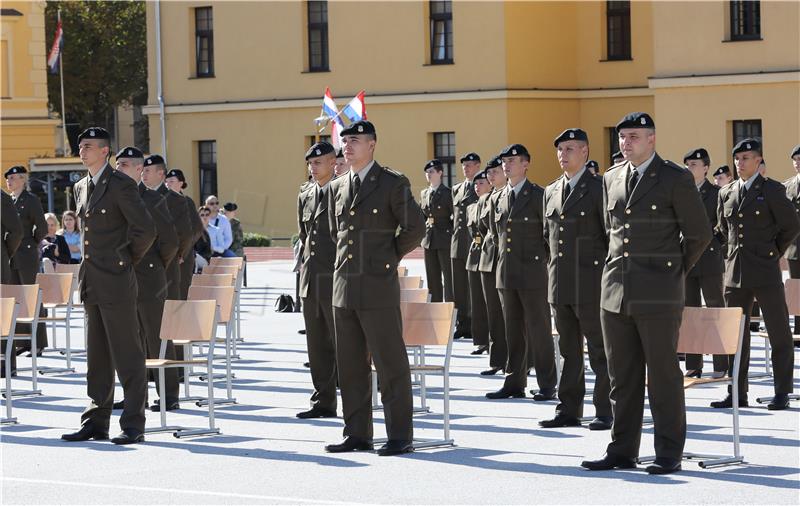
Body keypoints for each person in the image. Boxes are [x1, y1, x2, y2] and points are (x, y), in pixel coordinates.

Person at [581, 112, 710, 475]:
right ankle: (622, 450)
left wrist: (671, 272)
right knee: (622, 374)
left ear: (652, 139)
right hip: (615, 291)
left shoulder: (674, 177)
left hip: (658, 291)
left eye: (634, 136)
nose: (626, 143)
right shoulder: (610, 177)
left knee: (664, 374)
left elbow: (699, 234)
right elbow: (611, 233)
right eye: (622, 137)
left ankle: (668, 451)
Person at [324, 120, 425, 456]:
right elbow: (334, 235)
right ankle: (357, 433)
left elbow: (414, 227)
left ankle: (399, 435)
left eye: (355, 140)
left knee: (389, 363)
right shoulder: (338, 186)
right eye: (345, 141)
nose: (347, 146)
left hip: (378, 286)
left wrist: (388, 256)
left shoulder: (392, 183)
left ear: (372, 144)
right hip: (344, 287)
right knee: (350, 366)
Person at [61, 127, 155, 445]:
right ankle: (96, 421)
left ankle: (132, 423)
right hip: (92, 281)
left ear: (105, 151)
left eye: (88, 146)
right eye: (80, 146)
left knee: (127, 354)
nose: (82, 150)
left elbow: (145, 229)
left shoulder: (121, 185)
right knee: (97, 357)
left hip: (116, 279)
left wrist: (124, 260)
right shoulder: (81, 187)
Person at [712, 138, 800, 411]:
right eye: (737, 158)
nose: (740, 163)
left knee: (779, 333)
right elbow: (722, 229)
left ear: (759, 160)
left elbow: (791, 225)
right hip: (735, 273)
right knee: (736, 336)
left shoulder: (772, 189)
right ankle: (737, 392)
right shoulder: (726, 192)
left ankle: (782, 391)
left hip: (764, 270)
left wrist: (773, 251)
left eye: (747, 158)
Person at [540, 128, 611, 431]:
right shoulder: (552, 190)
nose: (563, 155)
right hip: (561, 283)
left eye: (570, 149)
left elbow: (611, 235)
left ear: (585, 152)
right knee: (568, 351)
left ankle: (606, 410)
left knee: (599, 349)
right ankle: (569, 409)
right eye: (560, 150)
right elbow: (547, 238)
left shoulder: (599, 188)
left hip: (592, 282)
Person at [486, 144, 557, 401]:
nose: (507, 165)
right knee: (512, 330)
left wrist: (540, 263)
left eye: (513, 160)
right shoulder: (498, 196)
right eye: (505, 160)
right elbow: (496, 235)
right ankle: (514, 381)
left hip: (533, 272)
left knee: (539, 329)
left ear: (526, 164)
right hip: (507, 272)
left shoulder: (539, 195)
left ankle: (548, 383)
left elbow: (549, 235)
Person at [115, 146, 181, 412]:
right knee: (130, 339)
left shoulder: (152, 200)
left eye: (124, 165)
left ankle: (169, 394)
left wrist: (153, 266)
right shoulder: (114, 197)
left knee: (156, 336)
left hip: (149, 277)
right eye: (117, 165)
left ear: (138, 169)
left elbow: (171, 242)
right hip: (122, 278)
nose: (118, 170)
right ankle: (135, 395)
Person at [296, 141, 338, 419]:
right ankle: (322, 400)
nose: (313, 167)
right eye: (310, 163)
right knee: (317, 344)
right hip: (311, 278)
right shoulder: (305, 194)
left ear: (333, 162)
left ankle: (356, 400)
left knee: (343, 344)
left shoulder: (344, 189)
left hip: (337, 276)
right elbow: (304, 235)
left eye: (318, 162)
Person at [682, 148, 728, 379]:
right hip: (688, 260)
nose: (689, 168)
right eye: (687, 164)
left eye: (694, 164)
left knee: (714, 311)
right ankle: (693, 363)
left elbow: (724, 226)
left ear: (706, 168)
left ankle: (721, 363)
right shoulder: (681, 192)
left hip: (709, 259)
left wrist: (714, 244)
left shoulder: (716, 193)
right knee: (690, 312)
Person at [5, 165, 48, 356]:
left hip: (26, 252)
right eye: (7, 179)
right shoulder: (10, 201)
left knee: (31, 296)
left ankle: (39, 341)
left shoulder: (31, 201)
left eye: (13, 178)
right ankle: (23, 340)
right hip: (10, 253)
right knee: (16, 297)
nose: (9, 181)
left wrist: (32, 243)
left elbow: (42, 227)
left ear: (23, 179)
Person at [142, 155, 193, 301]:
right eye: (143, 171)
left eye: (147, 171)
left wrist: (178, 254)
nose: (143, 174)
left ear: (160, 173)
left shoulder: (175, 199)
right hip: (145, 264)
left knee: (169, 309)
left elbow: (185, 232)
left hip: (168, 263)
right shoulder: (139, 197)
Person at [477, 155, 508, 376]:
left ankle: (521, 361)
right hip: (489, 259)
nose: (491, 175)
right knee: (494, 313)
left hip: (508, 259)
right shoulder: (485, 199)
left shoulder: (512, 195)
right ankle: (497, 359)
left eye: (495, 171)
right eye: (489, 172)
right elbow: (481, 228)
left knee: (512, 314)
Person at [450, 153, 481, 339]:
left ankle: (475, 324)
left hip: (473, 243)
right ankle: (462, 324)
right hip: (457, 243)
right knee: (459, 287)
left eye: (470, 165)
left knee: (473, 288)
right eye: (464, 165)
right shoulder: (457, 189)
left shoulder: (482, 186)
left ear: (478, 166)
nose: (466, 168)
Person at [165, 169, 204, 299]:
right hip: (167, 255)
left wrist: (183, 251)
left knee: (181, 293)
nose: (168, 184)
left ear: (181, 183)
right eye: (167, 181)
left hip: (184, 257)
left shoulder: (187, 202)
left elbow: (197, 229)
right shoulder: (161, 200)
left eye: (172, 181)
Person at [420, 159, 453, 303]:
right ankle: (435, 308)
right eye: (427, 172)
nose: (429, 174)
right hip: (429, 239)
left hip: (444, 238)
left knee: (448, 276)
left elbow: (454, 216)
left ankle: (451, 309)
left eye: (432, 172)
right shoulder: (424, 193)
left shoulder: (448, 193)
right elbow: (423, 216)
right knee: (432, 277)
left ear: (440, 173)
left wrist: (450, 233)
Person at [465, 168, 491, 355]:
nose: (477, 187)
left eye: (481, 183)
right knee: (477, 301)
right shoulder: (471, 207)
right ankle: (481, 340)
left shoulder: (493, 202)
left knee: (491, 302)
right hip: (474, 254)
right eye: (475, 184)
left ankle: (494, 341)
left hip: (488, 253)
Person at [0, 189, 22, 378]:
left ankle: (7, 364)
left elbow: (16, 231)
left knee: (2, 316)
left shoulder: (2, 198)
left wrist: (4, 253)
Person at [784, 145, 800, 337]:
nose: (797, 163)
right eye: (795, 160)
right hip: (795, 247)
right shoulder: (787, 186)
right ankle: (798, 329)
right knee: (796, 290)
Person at [194, 206, 213, 270]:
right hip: (195, 257)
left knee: (193, 257)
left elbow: (207, 252)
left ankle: (194, 277)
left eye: (206, 215)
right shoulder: (194, 230)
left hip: (204, 259)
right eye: (202, 215)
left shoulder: (204, 232)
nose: (204, 217)